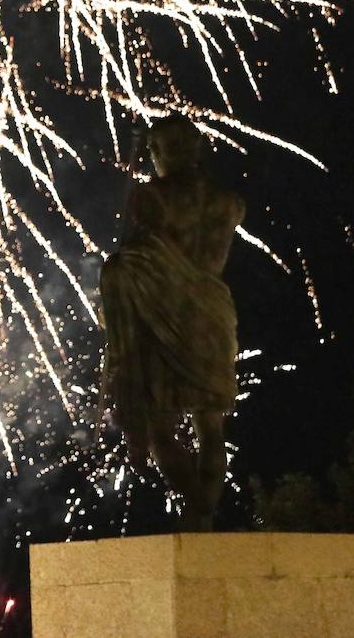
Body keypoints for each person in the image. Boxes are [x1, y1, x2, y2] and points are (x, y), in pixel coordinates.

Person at [99, 115, 245, 530]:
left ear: (160, 151)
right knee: (211, 424)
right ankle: (206, 513)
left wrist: (116, 271)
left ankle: (198, 508)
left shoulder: (151, 198)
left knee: (159, 426)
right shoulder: (230, 202)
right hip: (214, 315)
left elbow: (140, 259)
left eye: (154, 150)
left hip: (166, 318)